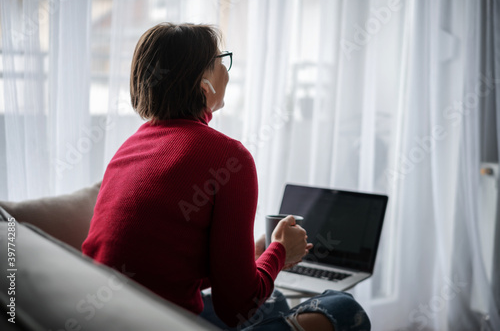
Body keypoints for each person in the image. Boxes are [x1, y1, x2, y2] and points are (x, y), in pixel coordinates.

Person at [82, 23, 370, 331]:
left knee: (276, 302)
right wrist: (281, 251)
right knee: (343, 306)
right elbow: (237, 308)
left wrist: (252, 256)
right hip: (165, 322)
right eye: (223, 61)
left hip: (108, 315)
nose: (228, 73)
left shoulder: (130, 148)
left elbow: (164, 266)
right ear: (203, 82)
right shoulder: (229, 158)